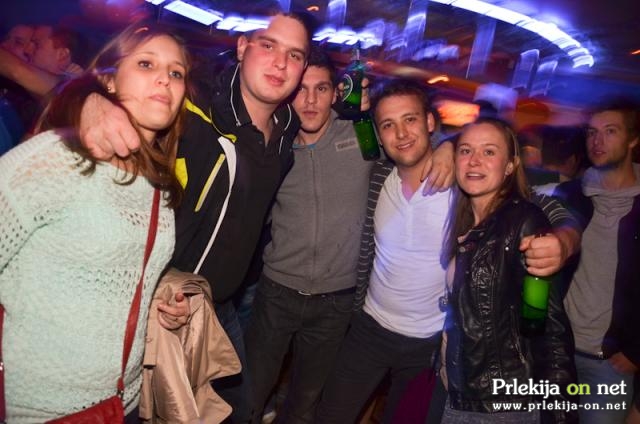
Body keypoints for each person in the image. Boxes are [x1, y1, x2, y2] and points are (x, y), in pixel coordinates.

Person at [76, 11, 313, 422]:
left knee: (234, 411)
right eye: (268, 45)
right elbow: (130, 93)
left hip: (224, 305)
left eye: (295, 55)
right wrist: (91, 102)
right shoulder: (196, 109)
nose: (280, 63)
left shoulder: (288, 126)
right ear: (242, 47)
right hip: (165, 304)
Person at [316, 79, 579, 423]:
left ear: (429, 122)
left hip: (427, 344)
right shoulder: (379, 175)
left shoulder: (465, 181)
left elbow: (548, 208)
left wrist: (565, 240)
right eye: (388, 125)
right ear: (379, 135)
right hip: (369, 329)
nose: (401, 133)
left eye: (410, 119)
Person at [0, 23, 190, 423]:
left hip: (124, 403)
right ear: (108, 81)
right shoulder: (57, 158)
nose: (165, 79)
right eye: (146, 64)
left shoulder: (158, 184)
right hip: (39, 408)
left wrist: (153, 299)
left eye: (176, 72)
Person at [440, 118, 577, 424]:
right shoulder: (465, 222)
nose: (474, 160)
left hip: (502, 406)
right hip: (461, 394)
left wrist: (560, 413)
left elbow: (547, 329)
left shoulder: (523, 223)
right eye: (465, 150)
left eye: (489, 152)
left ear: (510, 166)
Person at [553, 97, 640, 423]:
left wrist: (637, 351)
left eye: (610, 131)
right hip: (557, 351)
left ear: (633, 139)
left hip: (611, 363)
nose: (597, 141)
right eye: (592, 132)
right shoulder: (571, 195)